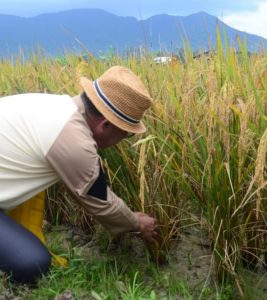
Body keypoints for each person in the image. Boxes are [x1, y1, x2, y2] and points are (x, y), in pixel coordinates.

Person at [0, 65, 157, 284]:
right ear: (104, 125)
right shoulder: (74, 141)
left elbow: (83, 185)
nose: (123, 141)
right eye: (126, 134)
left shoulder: (54, 107)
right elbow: (99, 200)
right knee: (32, 263)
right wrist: (137, 223)